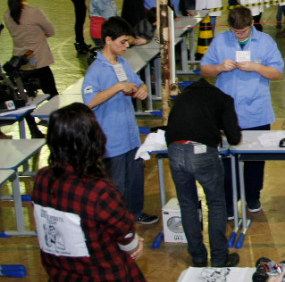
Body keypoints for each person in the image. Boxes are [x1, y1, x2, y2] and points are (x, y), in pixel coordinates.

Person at [32, 103, 146, 281]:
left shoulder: (41, 179)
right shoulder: (98, 190)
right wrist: (134, 244)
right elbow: (126, 238)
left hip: (61, 274)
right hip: (102, 275)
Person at [200, 6, 284, 215]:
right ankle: (229, 201)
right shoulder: (220, 41)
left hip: (257, 110)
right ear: (230, 28)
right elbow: (205, 69)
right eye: (236, 32)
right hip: (226, 113)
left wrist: (257, 67)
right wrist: (220, 67)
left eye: (244, 31)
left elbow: (277, 73)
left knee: (255, 159)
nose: (240, 35)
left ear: (251, 24)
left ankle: (253, 196)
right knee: (226, 160)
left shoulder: (265, 42)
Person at [82, 17, 158, 224]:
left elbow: (138, 83)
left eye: (127, 42)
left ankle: (135, 212)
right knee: (116, 185)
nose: (126, 46)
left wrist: (141, 89)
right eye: (122, 42)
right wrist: (116, 88)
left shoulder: (122, 63)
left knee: (135, 179)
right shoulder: (95, 71)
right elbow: (89, 102)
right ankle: (116, 222)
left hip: (131, 137)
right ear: (108, 40)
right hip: (111, 140)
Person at [166, 79, 242, 268]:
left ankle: (198, 256)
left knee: (188, 204)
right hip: (202, 153)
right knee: (216, 203)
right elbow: (235, 138)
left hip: (175, 151)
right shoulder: (223, 98)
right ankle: (219, 258)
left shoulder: (183, 98)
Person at [4, 0, 55, 138]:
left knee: (23, 99)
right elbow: (51, 30)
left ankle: (34, 129)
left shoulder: (8, 15)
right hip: (38, 60)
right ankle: (55, 128)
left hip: (20, 62)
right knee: (53, 95)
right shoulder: (34, 12)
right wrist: (40, 34)